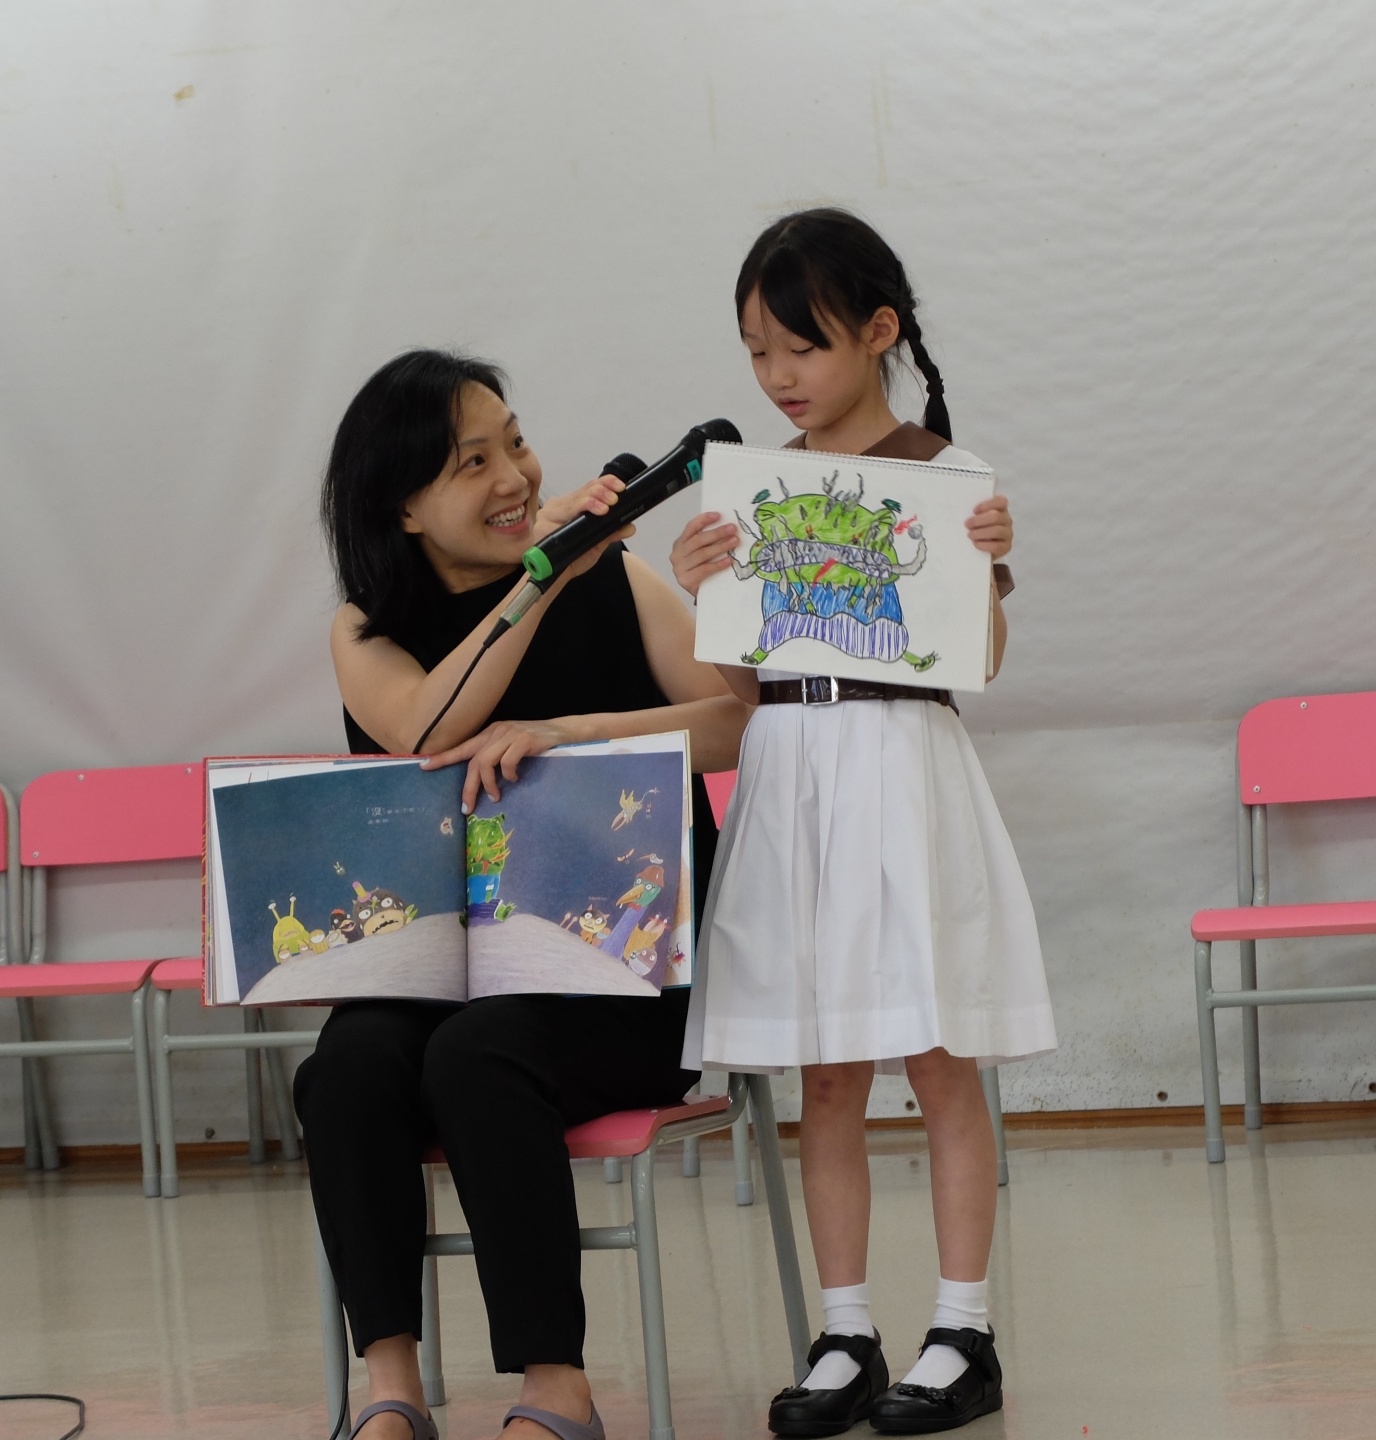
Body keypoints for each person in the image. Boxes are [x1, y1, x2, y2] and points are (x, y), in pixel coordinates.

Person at [296, 349, 750, 1440]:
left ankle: (557, 1388)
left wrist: (574, 731)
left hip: (624, 983)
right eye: (473, 463)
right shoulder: (366, 629)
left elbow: (738, 718)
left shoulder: (614, 576)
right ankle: (390, 1386)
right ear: (403, 506)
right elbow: (428, 726)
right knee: (348, 1066)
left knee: (479, 1054)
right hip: (448, 976)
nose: (515, 477)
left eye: (516, 443)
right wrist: (539, 578)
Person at [670, 210, 1056, 1436]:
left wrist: (986, 559)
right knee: (825, 1069)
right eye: (758, 353)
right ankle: (846, 1331)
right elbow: (748, 688)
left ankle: (964, 1329)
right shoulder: (754, 493)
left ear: (879, 331)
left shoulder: (943, 473)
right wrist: (704, 592)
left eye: (803, 347)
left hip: (902, 765)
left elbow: (977, 660)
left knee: (937, 1053)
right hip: (792, 773)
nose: (778, 377)